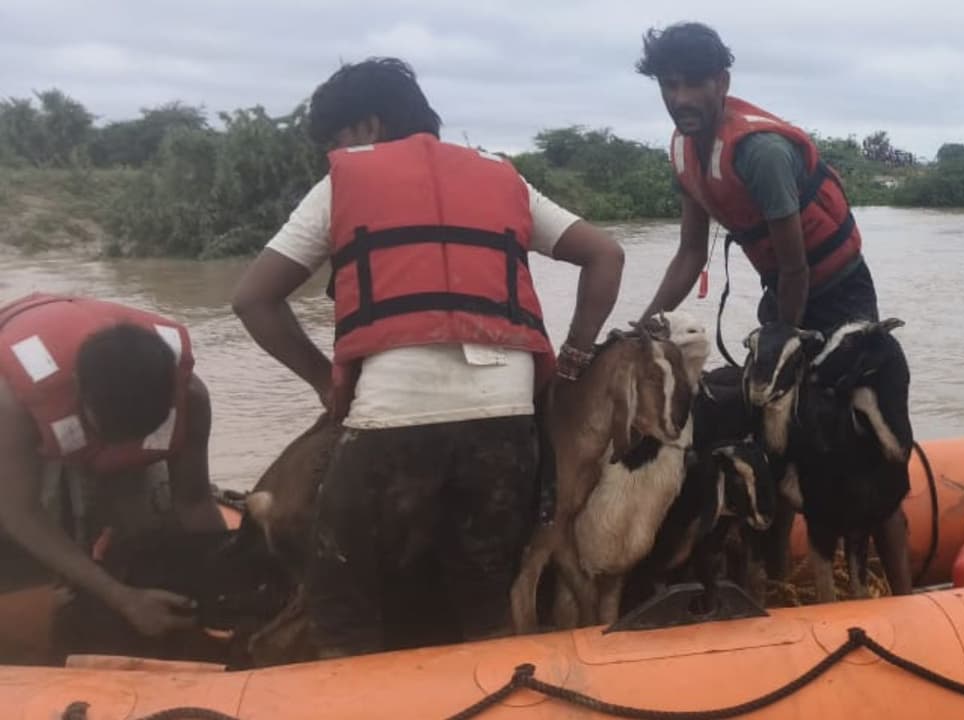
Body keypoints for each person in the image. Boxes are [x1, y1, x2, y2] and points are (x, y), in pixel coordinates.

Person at [232, 57, 625, 657]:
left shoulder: (344, 180)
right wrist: (575, 353)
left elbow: (253, 300)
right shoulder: (503, 177)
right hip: (507, 420)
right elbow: (606, 255)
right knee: (485, 600)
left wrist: (322, 382)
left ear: (365, 127)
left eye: (335, 140)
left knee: (342, 606)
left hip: (393, 422)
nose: (334, 153)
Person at [635, 23, 912, 595]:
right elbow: (690, 253)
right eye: (669, 85)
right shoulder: (687, 153)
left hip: (839, 295)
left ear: (723, 82)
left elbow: (796, 267)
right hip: (783, 293)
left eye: (694, 85)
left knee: (866, 452)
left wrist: (788, 339)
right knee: (775, 440)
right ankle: (781, 580)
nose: (680, 99)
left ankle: (905, 597)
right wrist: (647, 322)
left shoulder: (759, 153)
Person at [0, 293, 227, 641]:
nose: (123, 446)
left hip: (108, 420)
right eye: (113, 433)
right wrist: (123, 600)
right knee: (33, 552)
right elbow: (19, 512)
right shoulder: (12, 405)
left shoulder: (191, 396)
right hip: (27, 435)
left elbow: (194, 501)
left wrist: (224, 579)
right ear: (80, 393)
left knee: (150, 530)